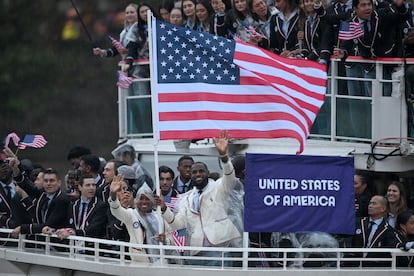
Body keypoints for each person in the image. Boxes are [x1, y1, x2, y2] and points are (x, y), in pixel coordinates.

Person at [156, 130, 241, 266]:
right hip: (196, 250)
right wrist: (164, 208)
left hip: (220, 246)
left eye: (201, 171)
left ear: (207, 173)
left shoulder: (219, 188)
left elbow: (230, 178)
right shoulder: (185, 198)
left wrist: (224, 156)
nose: (198, 174)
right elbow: (179, 224)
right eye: (194, 172)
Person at [109, 176, 171, 263]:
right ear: (137, 200)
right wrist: (113, 195)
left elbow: (170, 238)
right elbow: (116, 211)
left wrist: (165, 240)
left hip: (161, 262)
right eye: (141, 198)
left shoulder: (160, 216)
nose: (144, 202)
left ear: (152, 201)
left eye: (147, 199)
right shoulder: (132, 214)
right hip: (140, 262)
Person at [345, 195, 403, 267]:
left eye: (374, 203)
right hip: (353, 266)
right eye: (370, 203)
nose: (370, 206)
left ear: (383, 208)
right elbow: (342, 232)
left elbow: (398, 244)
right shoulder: (358, 222)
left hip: (374, 267)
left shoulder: (388, 230)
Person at [11, 167, 70, 238]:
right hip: (43, 241)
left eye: (52, 181)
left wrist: (22, 228)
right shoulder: (43, 194)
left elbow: (49, 225)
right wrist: (16, 170)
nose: (48, 183)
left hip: (57, 242)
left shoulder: (62, 199)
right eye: (46, 181)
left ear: (59, 183)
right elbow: (27, 186)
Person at [55, 174, 107, 240]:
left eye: (93, 185)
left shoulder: (101, 206)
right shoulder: (73, 205)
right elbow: (67, 224)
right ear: (80, 187)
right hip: (73, 245)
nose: (91, 188)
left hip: (91, 246)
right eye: (88, 185)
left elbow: (94, 228)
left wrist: (75, 232)